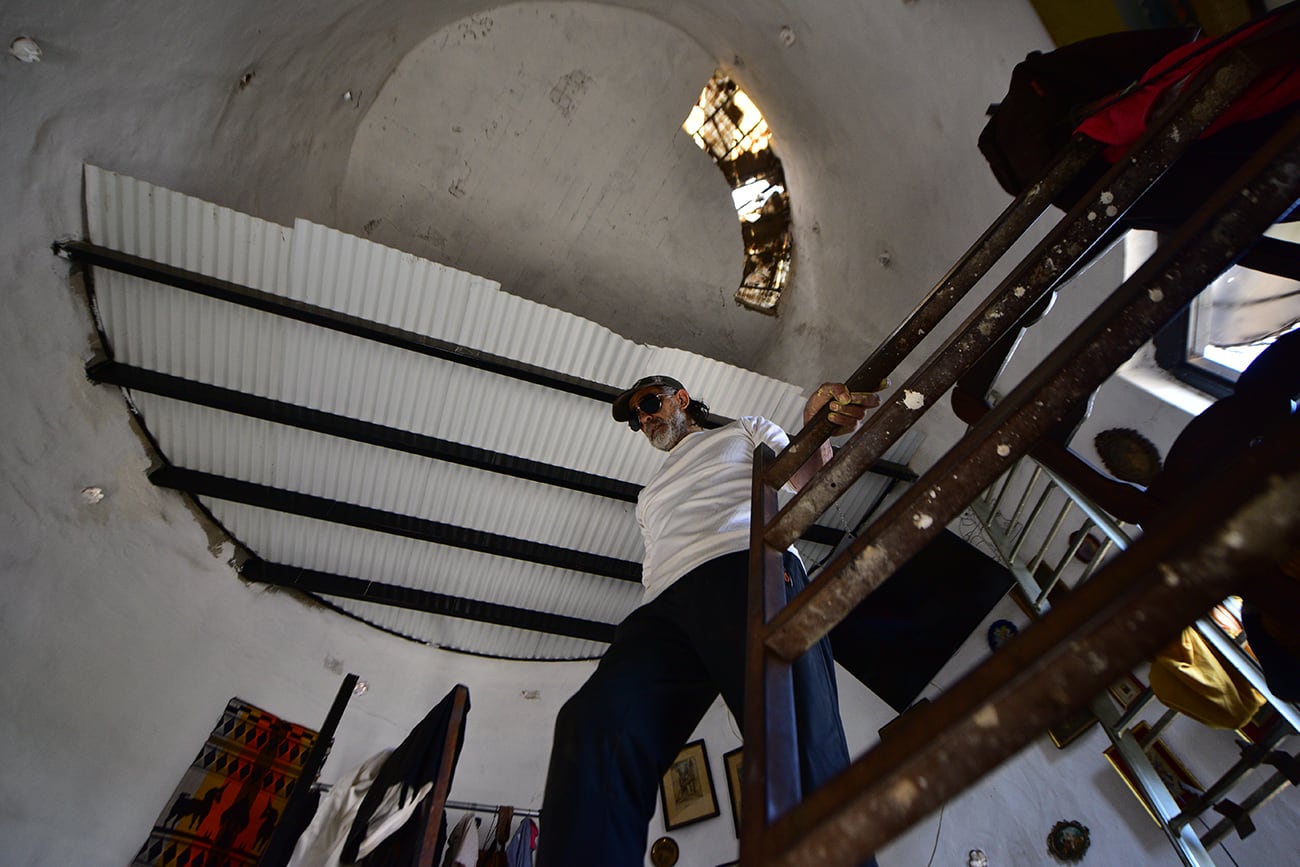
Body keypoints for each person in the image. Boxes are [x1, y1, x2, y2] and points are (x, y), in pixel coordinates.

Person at [536, 374, 882, 866]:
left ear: (681, 399)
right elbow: (656, 562)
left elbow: (806, 481)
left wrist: (818, 428)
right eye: (637, 417)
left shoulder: (742, 431)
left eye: (650, 404)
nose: (644, 418)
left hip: (746, 569)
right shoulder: (648, 496)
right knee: (593, 724)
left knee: (795, 739)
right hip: (663, 609)